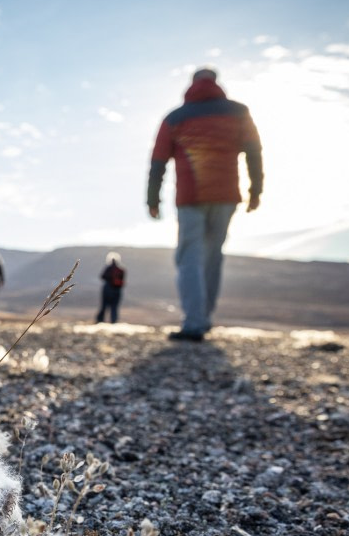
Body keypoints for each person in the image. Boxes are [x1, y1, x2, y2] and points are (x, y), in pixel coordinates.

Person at [147, 67, 263, 342]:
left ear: (192, 84)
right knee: (212, 258)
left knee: (189, 258)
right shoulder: (238, 112)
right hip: (226, 196)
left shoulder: (175, 117)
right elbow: (254, 152)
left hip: (191, 197)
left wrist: (153, 199)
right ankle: (204, 318)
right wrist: (255, 189)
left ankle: (194, 323)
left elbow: (158, 161)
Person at [95, 251, 125, 324]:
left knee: (104, 305)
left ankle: (100, 320)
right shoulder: (121, 269)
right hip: (117, 290)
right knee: (114, 307)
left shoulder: (108, 268)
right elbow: (122, 279)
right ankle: (114, 321)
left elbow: (102, 277)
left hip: (107, 289)